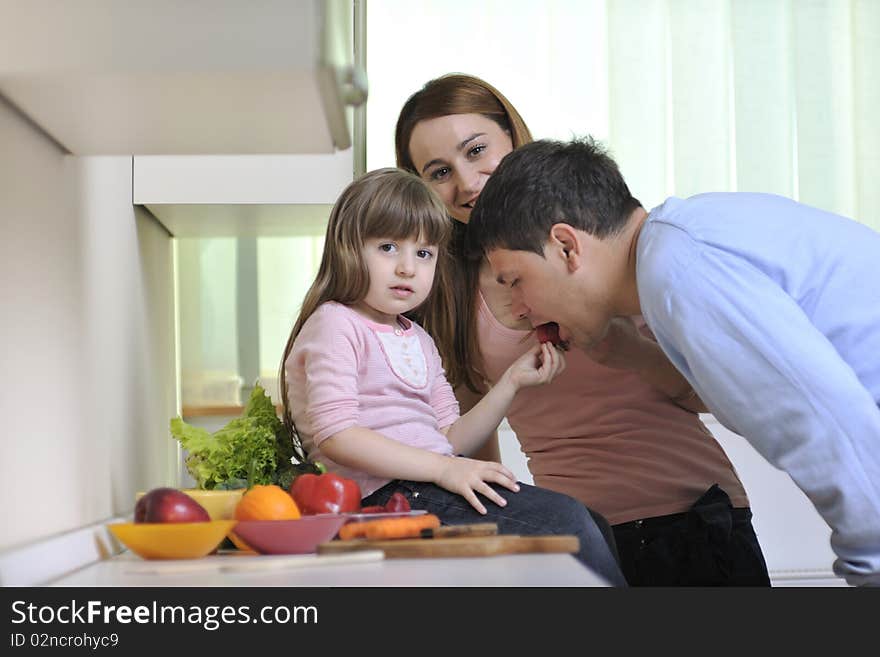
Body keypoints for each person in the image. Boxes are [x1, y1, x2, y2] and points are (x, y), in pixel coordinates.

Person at [395, 73, 771, 586]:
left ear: (512, 137)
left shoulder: (600, 239)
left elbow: (707, 394)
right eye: (439, 171)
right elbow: (471, 438)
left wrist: (623, 347)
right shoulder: (446, 295)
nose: (465, 182)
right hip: (576, 535)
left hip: (696, 517)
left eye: (477, 150)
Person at [464, 135, 880, 587]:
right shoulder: (678, 245)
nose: (520, 309)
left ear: (566, 247)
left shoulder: (678, 271)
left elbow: (825, 429)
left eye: (516, 280)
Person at [278, 167, 627, 586]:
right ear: (347, 249)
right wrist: (445, 470)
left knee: (591, 522)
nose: (408, 268)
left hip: (427, 484)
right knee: (567, 521)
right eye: (388, 247)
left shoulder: (417, 338)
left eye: (424, 253)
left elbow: (450, 438)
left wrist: (511, 382)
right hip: (382, 498)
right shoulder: (336, 323)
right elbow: (338, 434)